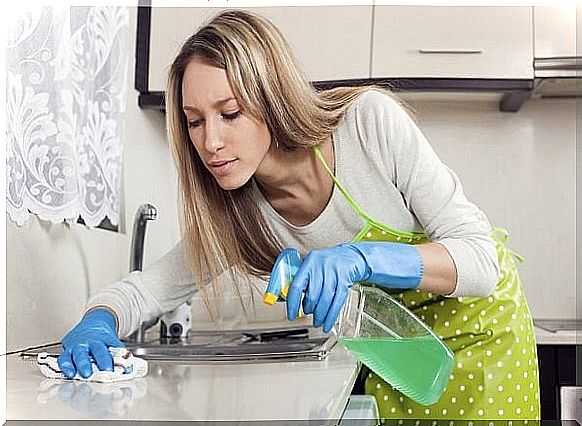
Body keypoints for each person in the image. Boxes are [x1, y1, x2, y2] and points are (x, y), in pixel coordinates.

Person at [58, 9, 540, 421]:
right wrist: (97, 319)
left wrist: (363, 258)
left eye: (230, 113)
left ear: (270, 97)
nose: (210, 142)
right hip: (395, 355)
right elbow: (147, 290)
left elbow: (480, 263)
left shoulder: (368, 126)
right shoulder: (239, 214)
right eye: (194, 120)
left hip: (478, 339)